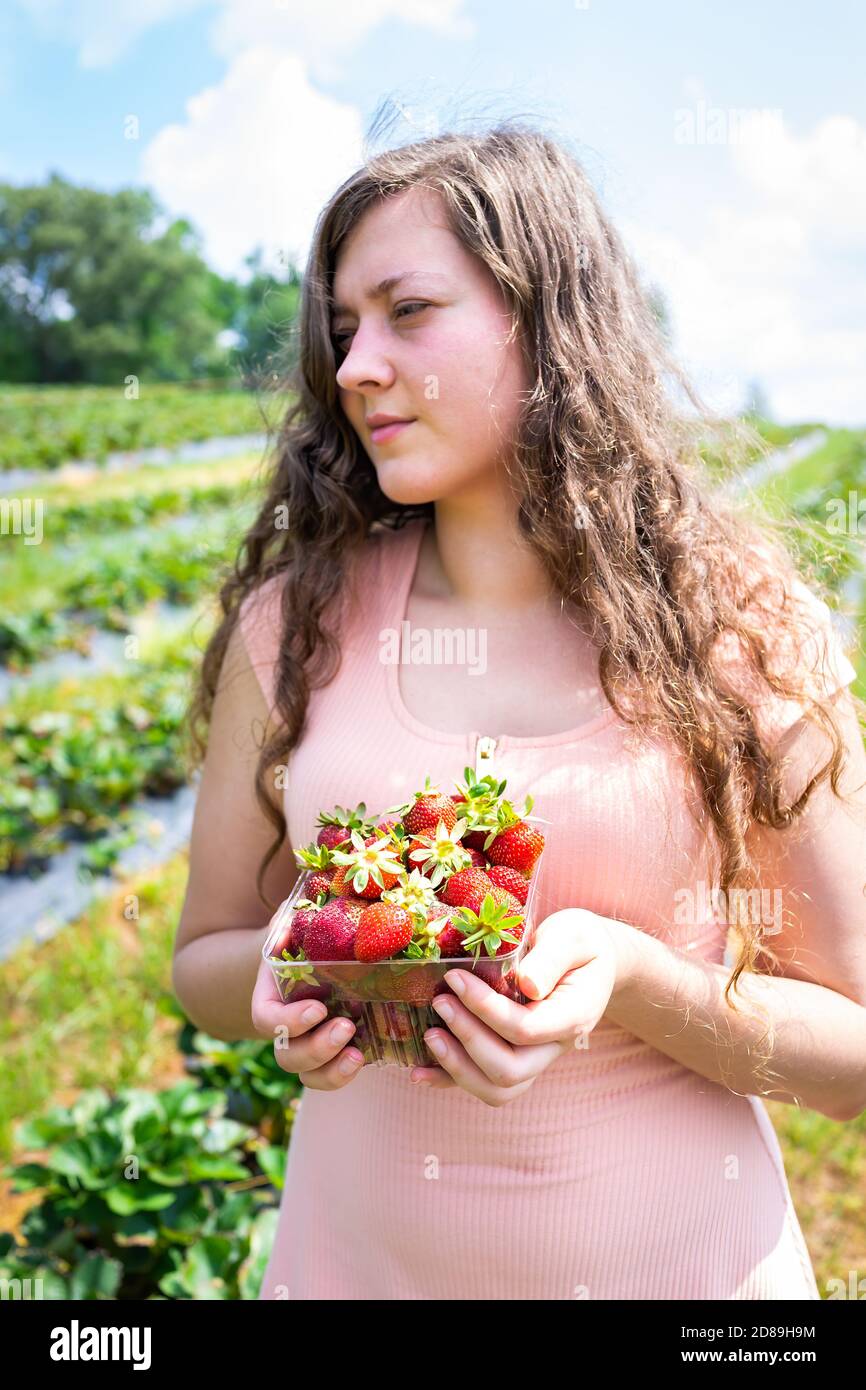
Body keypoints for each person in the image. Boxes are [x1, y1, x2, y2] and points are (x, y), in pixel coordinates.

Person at [173, 123, 866, 1300]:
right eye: (343, 331)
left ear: (546, 323)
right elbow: (201, 957)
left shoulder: (736, 624)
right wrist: (281, 966)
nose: (351, 367)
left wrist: (637, 981)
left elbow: (852, 1051)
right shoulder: (293, 625)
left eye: (407, 311)